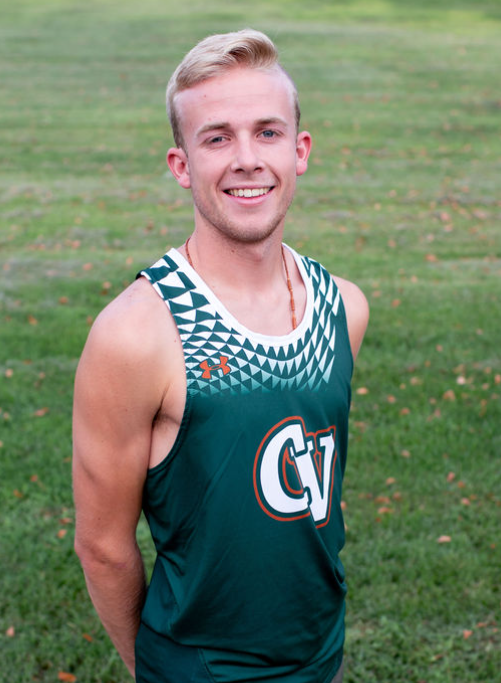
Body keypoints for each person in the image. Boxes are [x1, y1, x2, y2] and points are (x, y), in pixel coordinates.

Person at [73, 28, 369, 683]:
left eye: (266, 132)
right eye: (216, 137)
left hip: (320, 650)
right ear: (181, 165)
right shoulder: (138, 334)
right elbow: (102, 545)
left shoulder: (343, 307)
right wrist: (156, 666)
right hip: (196, 668)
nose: (245, 159)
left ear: (300, 151)